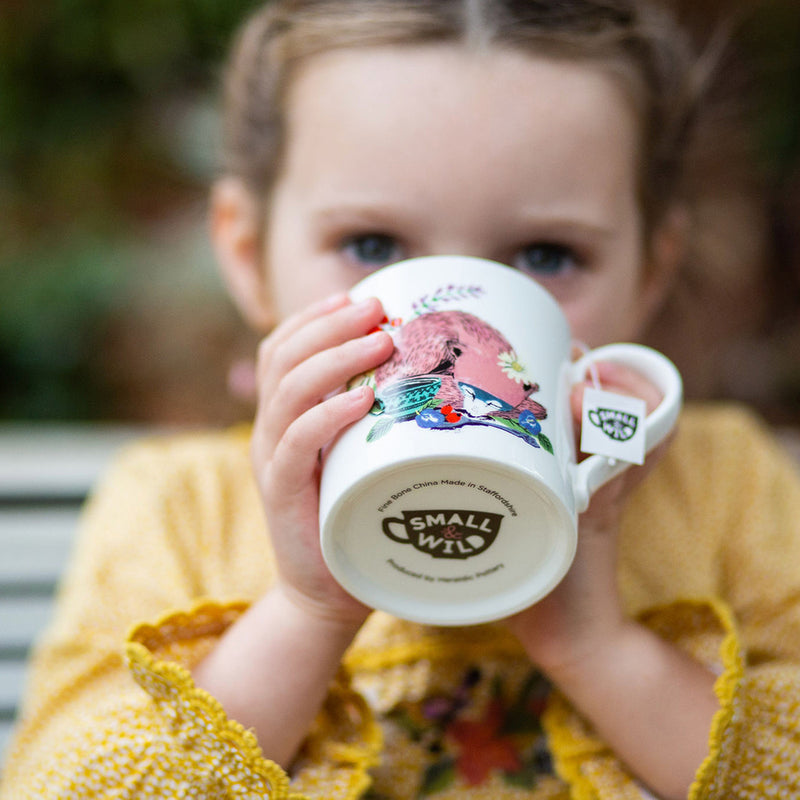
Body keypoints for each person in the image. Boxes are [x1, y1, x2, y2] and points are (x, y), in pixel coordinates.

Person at [2, 1, 799, 798]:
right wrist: (306, 612)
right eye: (373, 247)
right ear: (248, 256)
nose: (457, 316)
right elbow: (63, 785)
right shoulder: (178, 505)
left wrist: (595, 644)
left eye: (548, 254)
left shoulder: (725, 485)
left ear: (650, 273)